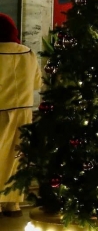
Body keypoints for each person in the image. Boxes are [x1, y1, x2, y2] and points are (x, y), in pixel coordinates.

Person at [0, 14, 38, 217]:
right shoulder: (28, 52)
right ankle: (12, 203)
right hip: (23, 111)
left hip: (0, 110)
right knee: (17, 157)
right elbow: (36, 83)